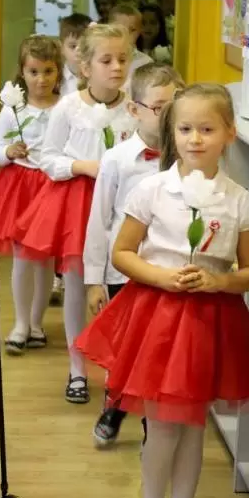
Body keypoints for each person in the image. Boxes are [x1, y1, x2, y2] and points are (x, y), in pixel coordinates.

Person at [75, 83, 249, 498]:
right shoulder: (152, 189)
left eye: (207, 129)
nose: (195, 139)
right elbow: (123, 253)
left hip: (210, 323)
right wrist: (162, 277)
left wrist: (219, 281)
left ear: (229, 134)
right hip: (159, 318)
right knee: (165, 426)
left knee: (192, 429)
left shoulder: (239, 200)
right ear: (173, 134)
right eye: (185, 129)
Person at [13, 24, 136, 403]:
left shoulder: (133, 107)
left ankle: (115, 368)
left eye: (123, 59)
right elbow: (48, 159)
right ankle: (77, 368)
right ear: (85, 67)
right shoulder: (68, 107)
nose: (117, 67)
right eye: (106, 60)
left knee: (117, 288)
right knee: (78, 287)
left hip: (121, 205)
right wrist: (85, 166)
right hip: (77, 203)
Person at [84, 62, 185, 448]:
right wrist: (94, 279)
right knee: (126, 349)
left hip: (168, 274)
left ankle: (151, 426)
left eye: (175, 106)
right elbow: (99, 220)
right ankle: (115, 405)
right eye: (160, 108)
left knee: (157, 351)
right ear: (134, 110)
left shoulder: (188, 158)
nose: (169, 116)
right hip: (123, 272)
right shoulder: (117, 160)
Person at [0, 35, 62, 355]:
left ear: (58, 71)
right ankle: (20, 324)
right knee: (22, 259)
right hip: (20, 190)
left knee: (45, 260)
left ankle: (37, 323)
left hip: (52, 187)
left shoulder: (65, 108)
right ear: (22, 72)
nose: (41, 79)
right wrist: (10, 152)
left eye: (48, 71)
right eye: (33, 72)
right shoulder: (12, 109)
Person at [50, 12, 92, 306]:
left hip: (87, 169)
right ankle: (58, 277)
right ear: (62, 46)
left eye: (82, 47)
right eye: (72, 46)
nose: (77, 53)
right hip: (66, 166)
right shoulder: (58, 83)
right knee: (61, 232)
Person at [108, 3, 153, 92]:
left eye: (132, 30)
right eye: (119, 29)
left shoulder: (146, 63)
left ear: (140, 31)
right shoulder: (99, 59)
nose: (126, 35)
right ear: (109, 29)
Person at [59, 12, 92, 97]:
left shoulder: (99, 77)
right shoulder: (56, 78)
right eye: (73, 46)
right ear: (62, 48)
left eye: (84, 45)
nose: (79, 51)